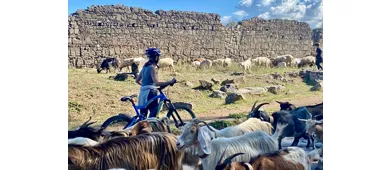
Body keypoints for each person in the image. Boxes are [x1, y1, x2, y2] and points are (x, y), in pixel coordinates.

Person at [135, 48, 176, 118]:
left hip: (142, 93)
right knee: (154, 111)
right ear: (156, 57)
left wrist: (145, 85)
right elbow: (156, 82)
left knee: (143, 115)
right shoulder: (152, 67)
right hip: (150, 92)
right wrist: (169, 82)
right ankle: (151, 126)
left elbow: (137, 80)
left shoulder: (145, 67)